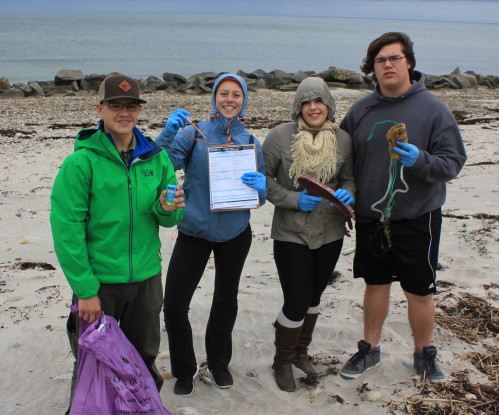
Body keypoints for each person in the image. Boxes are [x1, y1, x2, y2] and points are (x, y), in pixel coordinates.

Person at [50, 74, 185, 413]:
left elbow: (168, 218)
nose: (124, 112)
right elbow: (67, 229)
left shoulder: (157, 158)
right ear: (100, 109)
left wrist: (168, 208)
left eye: (131, 105)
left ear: (139, 110)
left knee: (143, 361)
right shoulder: (81, 163)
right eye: (116, 105)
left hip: (146, 280)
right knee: (92, 365)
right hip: (100, 285)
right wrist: (85, 289)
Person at [339, 32, 466, 382]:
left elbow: (454, 162)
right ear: (373, 69)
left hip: (417, 216)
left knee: (420, 290)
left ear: (408, 62)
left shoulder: (433, 109)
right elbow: (342, 160)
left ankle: (424, 354)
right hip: (371, 217)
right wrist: (342, 192)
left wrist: (422, 159)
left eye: (395, 58)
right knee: (376, 284)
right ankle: (370, 350)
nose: (388, 65)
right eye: (381, 61)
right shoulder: (361, 110)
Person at [155, 73, 267, 396]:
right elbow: (163, 165)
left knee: (225, 302)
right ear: (214, 98)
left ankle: (218, 364)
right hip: (194, 229)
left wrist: (263, 190)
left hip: (235, 233)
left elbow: (258, 197)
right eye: (223, 94)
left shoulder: (251, 142)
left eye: (236, 95)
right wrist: (167, 133)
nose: (230, 100)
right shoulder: (194, 133)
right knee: (174, 305)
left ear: (244, 99)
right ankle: (184, 370)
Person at [262, 77, 355, 392]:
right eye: (306, 102)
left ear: (328, 105)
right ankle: (282, 361)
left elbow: (349, 179)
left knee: (314, 297)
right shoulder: (279, 137)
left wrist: (348, 195)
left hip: (330, 232)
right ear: (297, 106)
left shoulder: (343, 140)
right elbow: (264, 180)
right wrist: (294, 199)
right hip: (291, 232)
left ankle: (301, 352)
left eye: (319, 102)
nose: (313, 107)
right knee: (296, 299)